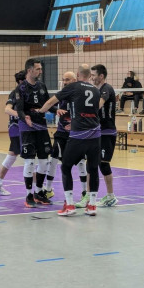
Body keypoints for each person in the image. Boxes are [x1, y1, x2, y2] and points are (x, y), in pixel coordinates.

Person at [39, 64, 101, 216]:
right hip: (95, 135)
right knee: (93, 169)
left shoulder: (73, 87)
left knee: (66, 166)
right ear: (89, 75)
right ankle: (92, 205)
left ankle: (70, 205)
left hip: (79, 135)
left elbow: (50, 102)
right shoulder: (95, 90)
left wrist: (40, 111)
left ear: (78, 75)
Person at [15, 58, 55, 207]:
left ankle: (39, 192)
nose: (40, 71)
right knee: (30, 161)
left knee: (44, 161)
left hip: (41, 126)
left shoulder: (42, 86)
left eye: (40, 69)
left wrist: (59, 111)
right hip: (27, 127)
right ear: (30, 70)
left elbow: (48, 104)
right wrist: (25, 117)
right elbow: (19, 109)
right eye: (38, 69)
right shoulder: (21, 88)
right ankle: (28, 195)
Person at [45, 72, 88, 201]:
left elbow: (86, 113)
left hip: (76, 133)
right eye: (63, 80)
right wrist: (56, 110)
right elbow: (49, 105)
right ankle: (48, 190)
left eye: (67, 80)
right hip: (61, 133)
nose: (65, 82)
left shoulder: (80, 95)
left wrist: (74, 124)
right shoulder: (62, 94)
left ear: (74, 80)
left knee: (81, 162)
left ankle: (84, 192)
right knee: (53, 159)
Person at [0, 70, 26, 196]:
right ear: (21, 81)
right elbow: (7, 109)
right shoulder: (15, 93)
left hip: (21, 129)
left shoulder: (27, 93)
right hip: (16, 128)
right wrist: (22, 116)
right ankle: (39, 187)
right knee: (28, 157)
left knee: (12, 156)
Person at [90, 64, 118, 207]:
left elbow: (98, 105)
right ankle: (91, 195)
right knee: (94, 163)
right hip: (98, 132)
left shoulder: (106, 89)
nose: (91, 77)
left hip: (107, 132)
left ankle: (111, 196)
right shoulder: (97, 90)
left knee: (104, 164)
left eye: (93, 75)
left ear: (101, 76)